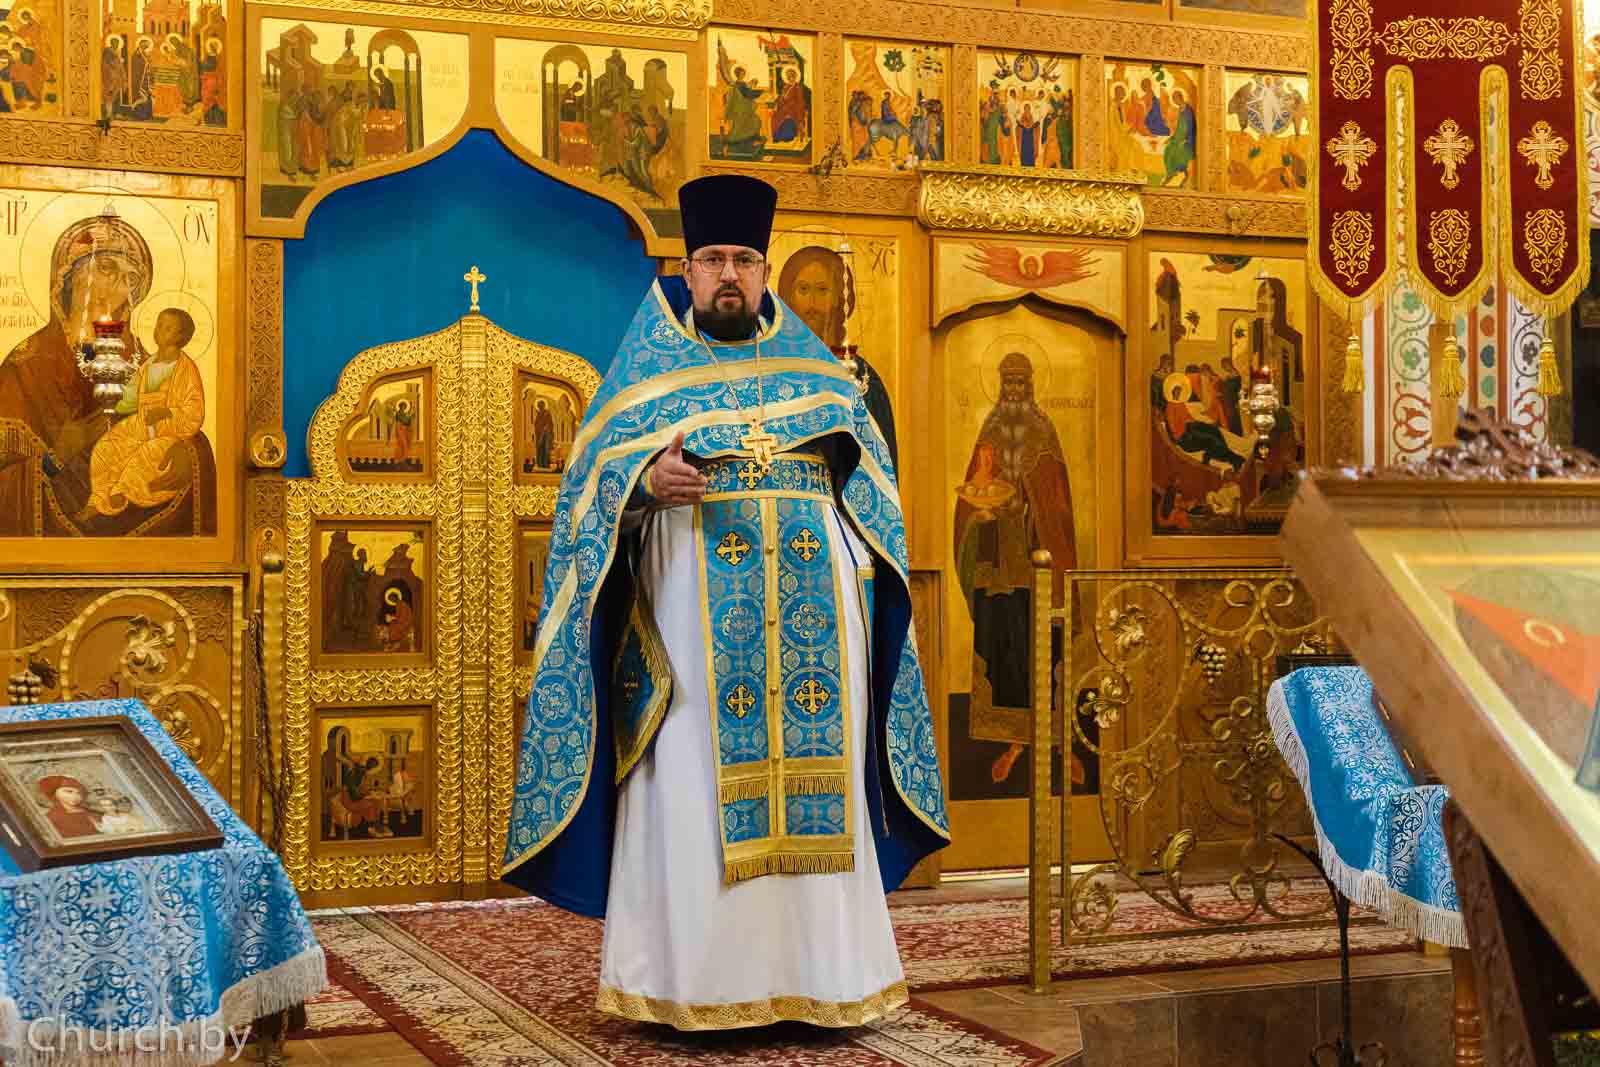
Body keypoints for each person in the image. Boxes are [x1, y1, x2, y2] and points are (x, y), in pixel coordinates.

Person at [501, 174, 948, 1030]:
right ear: (688, 270)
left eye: (745, 259)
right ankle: (697, 988)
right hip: (691, 630)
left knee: (821, 789)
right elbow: (586, 495)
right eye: (713, 259)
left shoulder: (821, 375)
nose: (730, 275)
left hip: (817, 633)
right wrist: (643, 482)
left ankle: (826, 981)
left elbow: (875, 494)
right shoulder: (645, 372)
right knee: (691, 788)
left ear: (765, 270)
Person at [775, 245, 899, 468]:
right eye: (803, 289)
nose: (812, 303)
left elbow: (880, 462)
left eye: (822, 290)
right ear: (788, 296)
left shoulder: (861, 376)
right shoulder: (770, 367)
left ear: (838, 299)